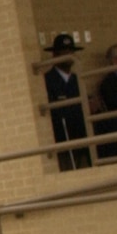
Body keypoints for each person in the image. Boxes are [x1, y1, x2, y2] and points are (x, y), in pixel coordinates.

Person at [43, 32, 92, 169]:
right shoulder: (48, 80)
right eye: (65, 52)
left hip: (82, 135)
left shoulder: (77, 79)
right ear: (55, 55)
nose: (69, 55)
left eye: (71, 52)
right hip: (64, 136)